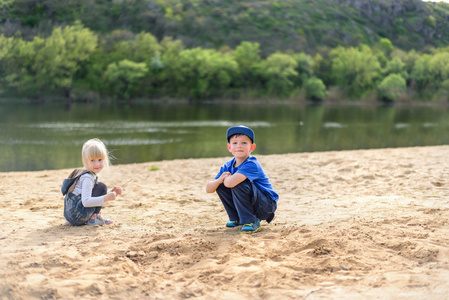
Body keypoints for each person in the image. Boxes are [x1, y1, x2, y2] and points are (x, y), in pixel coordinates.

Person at [206, 125, 278, 234]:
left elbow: (230, 183)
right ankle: (237, 218)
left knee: (238, 184)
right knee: (220, 185)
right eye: (235, 143)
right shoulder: (228, 165)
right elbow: (209, 189)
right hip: (253, 203)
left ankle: (252, 221)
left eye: (244, 143)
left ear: (252, 147)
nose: (239, 146)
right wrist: (218, 180)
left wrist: (225, 179)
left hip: (265, 206)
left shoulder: (252, 164)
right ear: (229, 147)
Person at [62, 138, 122, 226]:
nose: (97, 164)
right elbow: (86, 202)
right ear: (85, 161)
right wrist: (106, 198)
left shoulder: (83, 173)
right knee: (101, 187)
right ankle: (94, 218)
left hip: (69, 215)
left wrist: (112, 193)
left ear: (105, 159)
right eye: (92, 160)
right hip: (78, 216)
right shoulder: (88, 178)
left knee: (99, 187)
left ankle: (90, 217)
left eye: (100, 160)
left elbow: (92, 197)